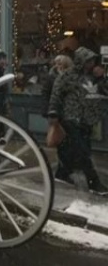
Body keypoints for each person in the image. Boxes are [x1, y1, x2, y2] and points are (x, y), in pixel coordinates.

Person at [47, 46, 108, 196]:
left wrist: (101, 78)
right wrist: (53, 113)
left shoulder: (92, 76)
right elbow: (56, 94)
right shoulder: (67, 76)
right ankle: (94, 182)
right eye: (88, 61)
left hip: (87, 119)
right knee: (83, 151)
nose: (91, 63)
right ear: (81, 61)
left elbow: (104, 90)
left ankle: (62, 173)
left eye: (93, 61)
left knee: (75, 149)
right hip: (71, 118)